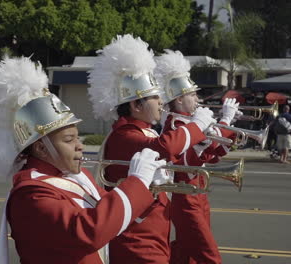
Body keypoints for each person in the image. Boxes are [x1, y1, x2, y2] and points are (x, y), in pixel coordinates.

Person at [0, 52, 166, 264]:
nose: (80, 146)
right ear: (42, 148)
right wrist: (136, 182)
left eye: (77, 137)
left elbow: (116, 218)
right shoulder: (30, 194)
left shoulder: (77, 177)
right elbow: (90, 232)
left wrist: (149, 190)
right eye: (69, 139)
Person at [87, 35, 216, 263]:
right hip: (136, 241)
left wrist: (201, 146)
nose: (160, 102)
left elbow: (176, 165)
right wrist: (197, 127)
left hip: (155, 235)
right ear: (136, 105)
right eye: (155, 97)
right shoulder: (124, 135)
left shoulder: (143, 131)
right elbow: (163, 147)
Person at [154, 50, 241, 264]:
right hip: (185, 197)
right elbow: (184, 164)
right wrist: (226, 122)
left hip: (199, 192)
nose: (197, 99)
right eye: (192, 95)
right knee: (209, 255)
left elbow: (210, 156)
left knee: (186, 254)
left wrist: (229, 133)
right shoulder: (176, 125)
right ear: (180, 99)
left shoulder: (190, 122)